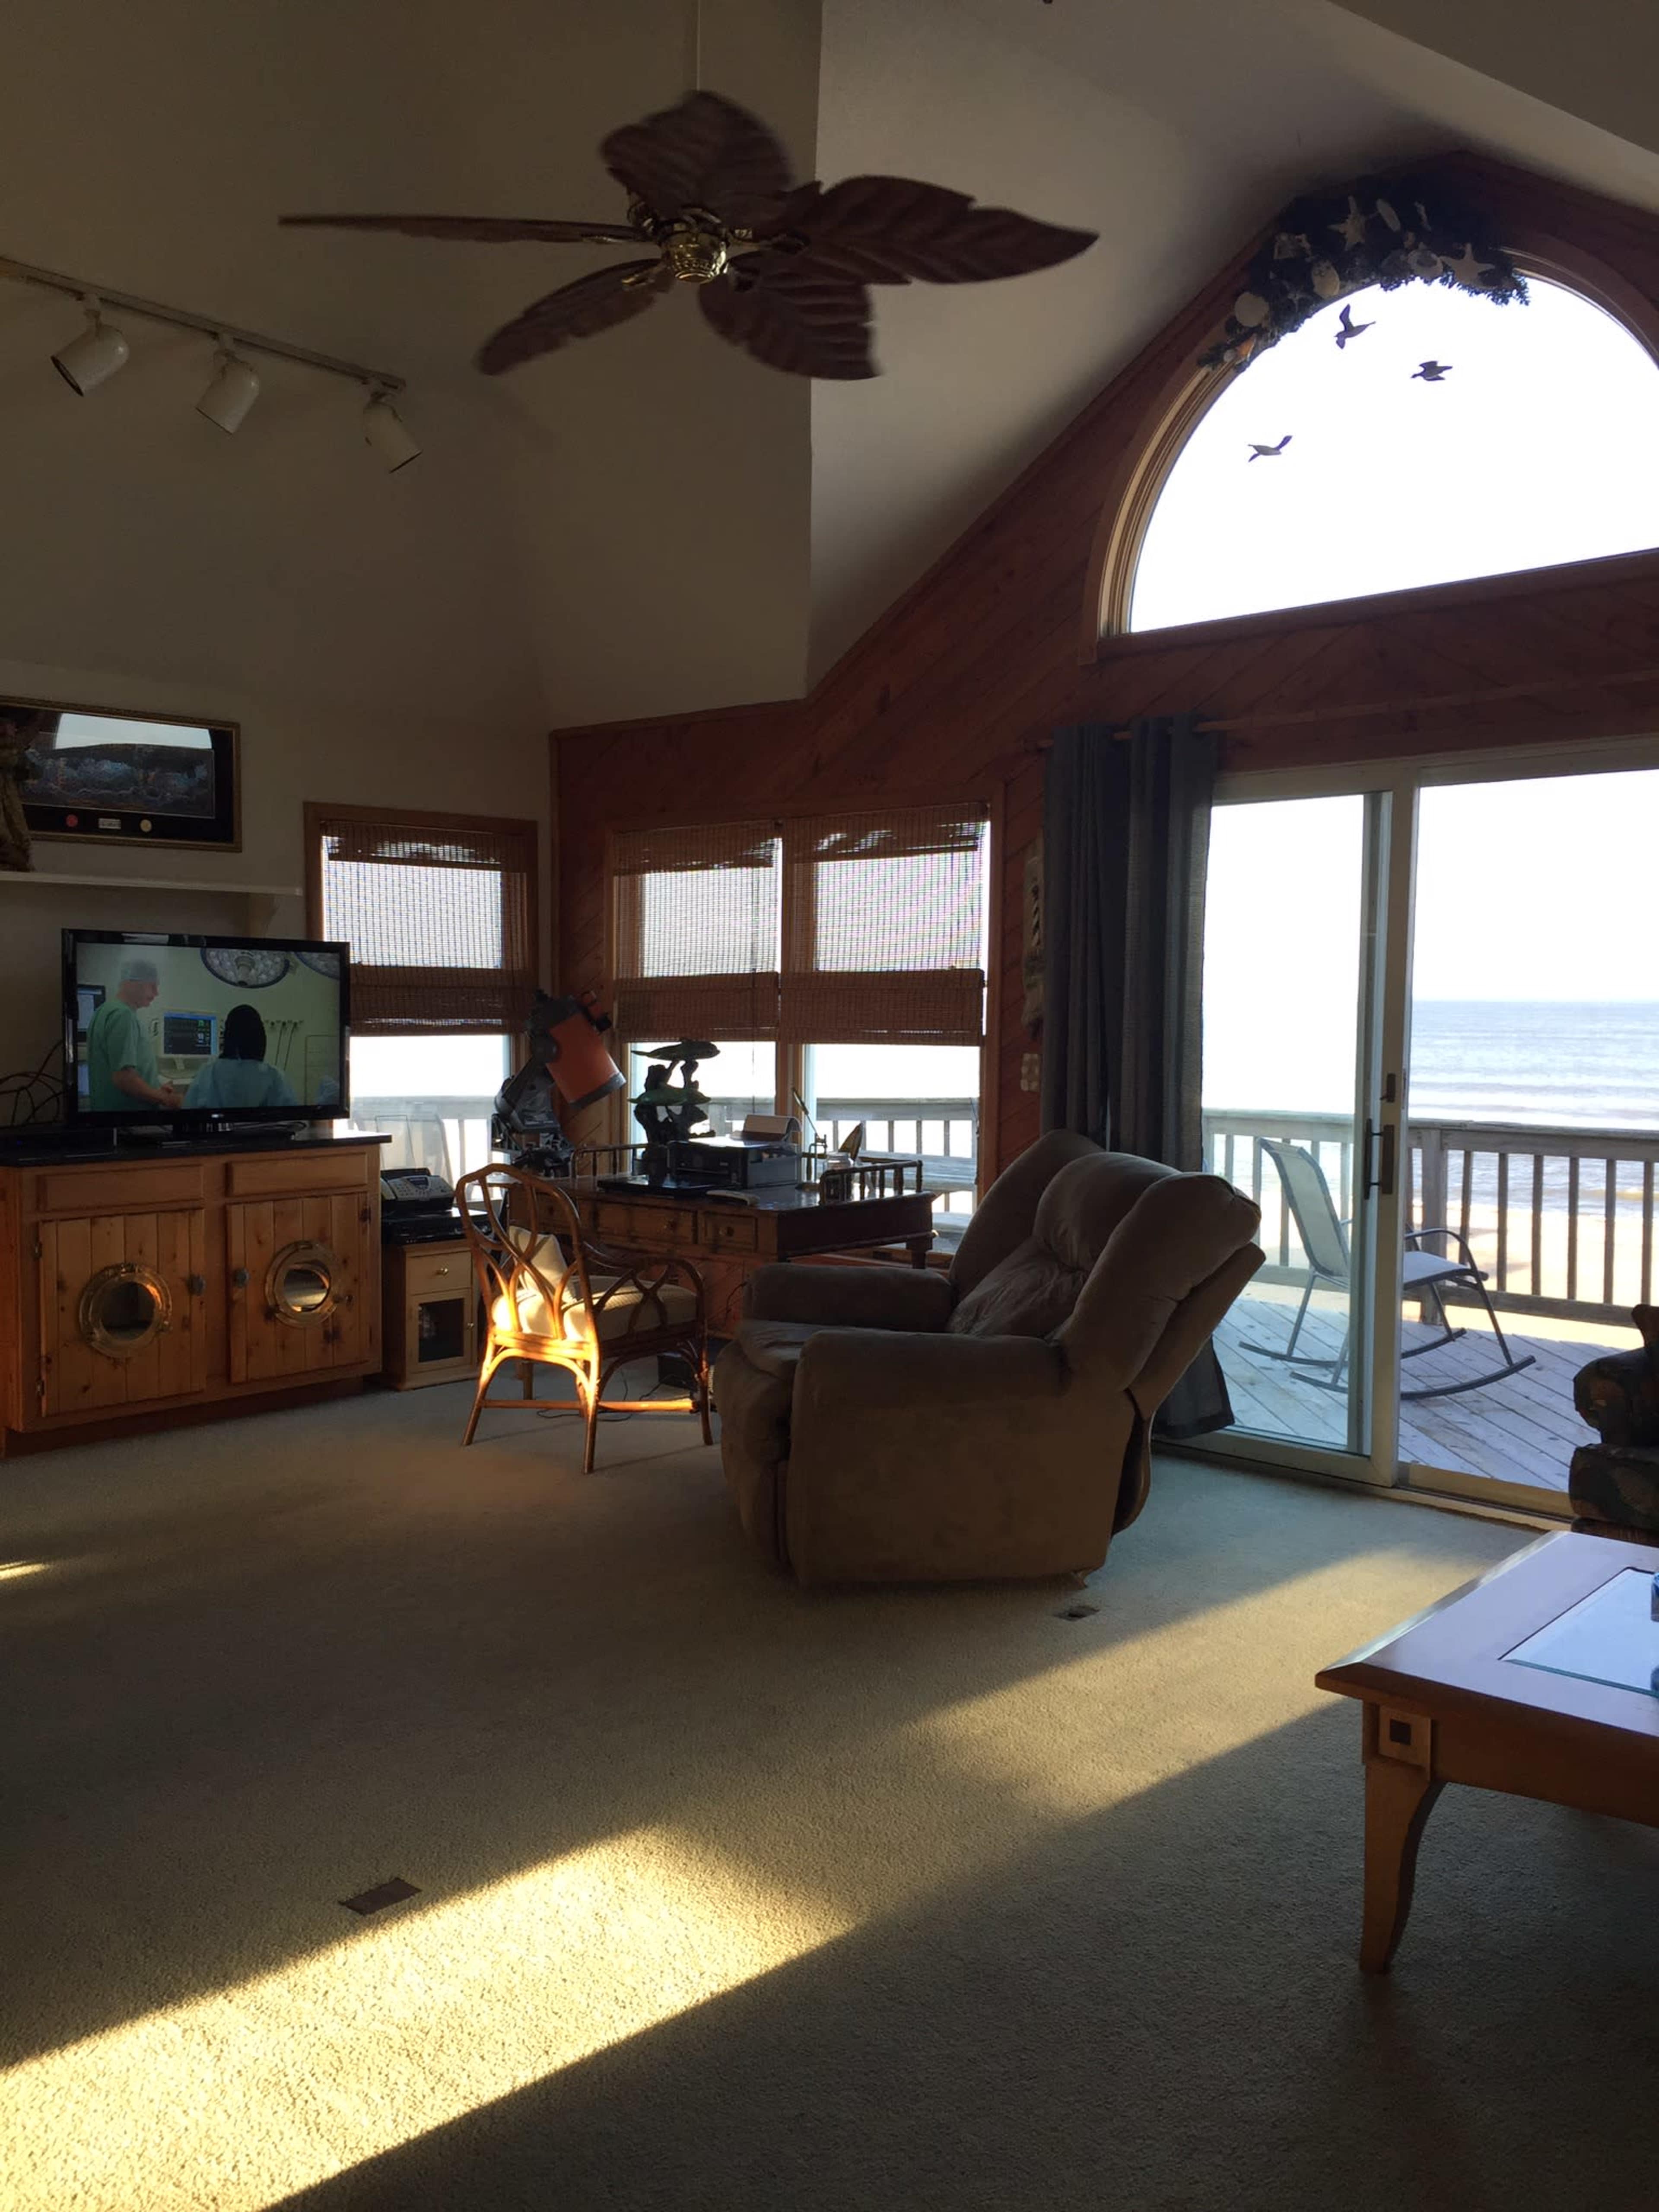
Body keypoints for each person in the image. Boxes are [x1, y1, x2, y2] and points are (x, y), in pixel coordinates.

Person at [85, 958, 180, 1111]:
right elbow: (125, 1079)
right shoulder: (123, 1015)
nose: (156, 993)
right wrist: (165, 1098)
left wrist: (157, 1089)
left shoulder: (105, 1010)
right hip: (128, 1119)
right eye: (152, 986)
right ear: (132, 983)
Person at [184, 1004, 298, 1111]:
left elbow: (190, 1114)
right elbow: (293, 1120)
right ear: (261, 1038)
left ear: (228, 1036)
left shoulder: (208, 1073)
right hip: (264, 1133)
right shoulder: (275, 1077)